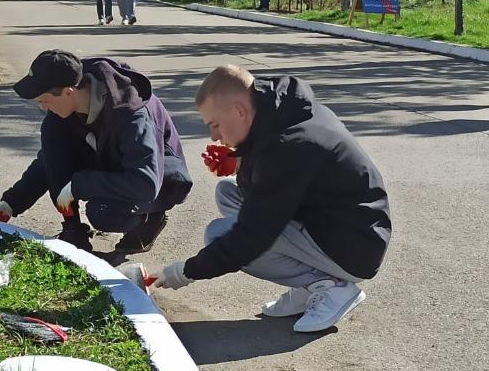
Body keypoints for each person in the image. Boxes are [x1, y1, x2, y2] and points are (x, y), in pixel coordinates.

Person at [148, 65, 391, 333]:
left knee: (219, 234)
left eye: (215, 125)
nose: (214, 136)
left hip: (354, 249)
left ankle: (330, 285)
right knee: (228, 193)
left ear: (239, 110)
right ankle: (311, 283)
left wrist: (184, 272)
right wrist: (242, 163)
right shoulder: (286, 110)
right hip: (342, 224)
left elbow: (253, 236)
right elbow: (273, 189)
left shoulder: (289, 144)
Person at [0, 50, 193, 254]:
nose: (42, 107)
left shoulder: (131, 115)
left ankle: (151, 217)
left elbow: (145, 183)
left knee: (104, 212)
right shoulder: (65, 108)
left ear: (68, 92)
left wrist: (79, 184)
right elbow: (50, 159)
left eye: (44, 100)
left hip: (159, 178)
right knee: (53, 133)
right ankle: (74, 230)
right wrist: (10, 203)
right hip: (112, 162)